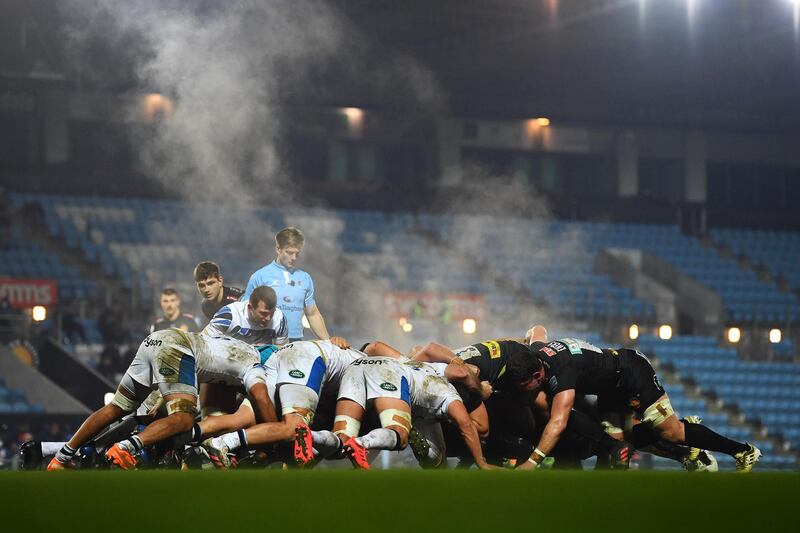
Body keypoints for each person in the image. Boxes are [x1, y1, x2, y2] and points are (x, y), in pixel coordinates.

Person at [512, 337, 761, 472]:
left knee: (673, 433)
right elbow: (537, 329)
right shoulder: (537, 353)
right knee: (615, 445)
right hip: (610, 387)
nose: (525, 391)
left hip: (632, 373)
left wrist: (532, 462)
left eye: (525, 385)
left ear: (538, 376)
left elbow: (559, 421)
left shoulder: (561, 373)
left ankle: (743, 451)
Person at [46, 328, 275, 471]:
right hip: (177, 348)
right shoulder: (257, 364)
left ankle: (61, 458)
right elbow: (261, 397)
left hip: (155, 341)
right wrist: (276, 436)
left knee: (117, 407)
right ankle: (126, 447)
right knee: (184, 419)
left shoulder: (237, 346)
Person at [243, 227, 329, 342]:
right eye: (289, 252)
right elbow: (244, 310)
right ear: (278, 249)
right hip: (266, 340)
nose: (293, 258)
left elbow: (312, 314)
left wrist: (328, 343)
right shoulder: (260, 276)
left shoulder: (305, 278)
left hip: (295, 341)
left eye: (297, 253)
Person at [203, 285, 288, 346]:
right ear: (250, 308)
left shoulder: (279, 319)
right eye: (263, 313)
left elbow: (282, 351)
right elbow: (203, 342)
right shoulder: (228, 315)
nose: (268, 318)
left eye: (272, 313)